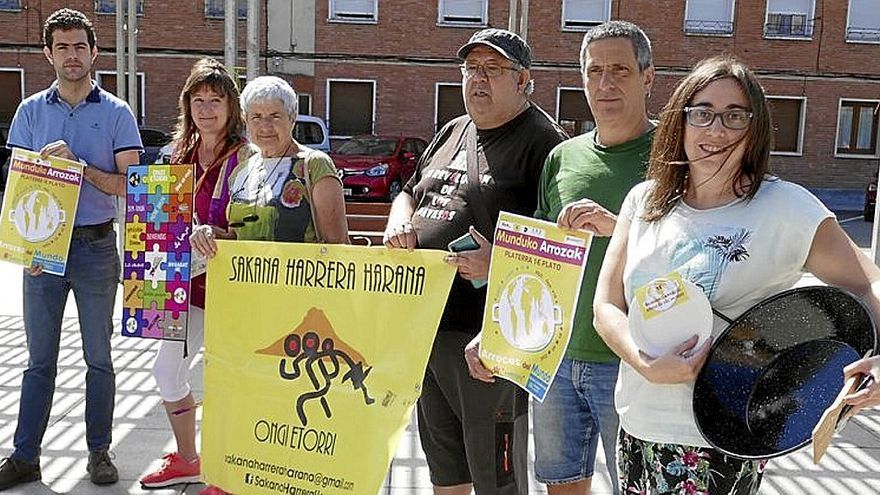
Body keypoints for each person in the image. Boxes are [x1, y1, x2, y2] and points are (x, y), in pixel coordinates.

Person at [593, 55, 880, 494]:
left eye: (735, 116)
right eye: (702, 113)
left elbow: (868, 283)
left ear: (756, 127)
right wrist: (645, 363)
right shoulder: (645, 201)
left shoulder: (787, 208)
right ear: (680, 122)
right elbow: (607, 306)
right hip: (637, 425)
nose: (716, 130)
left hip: (724, 436)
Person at [384, 28, 566, 494]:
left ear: (523, 79)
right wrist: (398, 220)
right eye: (471, 69)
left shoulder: (545, 143)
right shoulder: (453, 129)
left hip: (485, 341)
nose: (477, 80)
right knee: (445, 468)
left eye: (492, 70)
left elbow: (560, 250)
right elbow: (409, 190)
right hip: (427, 325)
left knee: (496, 478)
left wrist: (499, 264)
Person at [475, 21, 654, 495]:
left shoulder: (674, 156)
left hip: (633, 359)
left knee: (637, 486)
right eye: (594, 71)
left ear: (648, 78)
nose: (605, 83)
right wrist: (494, 335)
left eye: (620, 70)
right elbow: (532, 260)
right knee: (561, 487)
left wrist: (618, 227)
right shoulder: (563, 157)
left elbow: (691, 253)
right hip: (554, 360)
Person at [0, 8, 143, 490]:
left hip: (97, 249)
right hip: (42, 254)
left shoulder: (118, 113)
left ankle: (99, 452)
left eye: (80, 46)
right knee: (38, 360)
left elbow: (131, 186)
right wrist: (25, 247)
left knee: (98, 358)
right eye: (62, 46)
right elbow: (17, 186)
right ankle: (26, 456)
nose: (72, 55)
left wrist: (79, 167)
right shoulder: (29, 112)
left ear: (94, 51)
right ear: (48, 54)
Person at [194, 75, 348, 495]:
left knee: (292, 402)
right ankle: (241, 477)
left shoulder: (314, 165)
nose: (265, 126)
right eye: (256, 117)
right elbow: (233, 235)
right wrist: (210, 234)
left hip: (302, 310)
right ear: (244, 120)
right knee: (247, 394)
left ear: (293, 118)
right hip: (247, 307)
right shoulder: (242, 168)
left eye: (275, 116)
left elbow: (337, 244)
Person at [139, 58, 255, 489]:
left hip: (231, 284)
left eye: (216, 100)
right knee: (167, 371)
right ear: (187, 105)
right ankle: (189, 458)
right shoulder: (176, 154)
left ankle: (227, 472)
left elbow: (257, 222)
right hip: (179, 283)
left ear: (231, 106)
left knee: (227, 376)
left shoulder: (247, 156)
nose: (206, 109)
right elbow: (154, 217)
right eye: (198, 100)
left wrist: (220, 234)